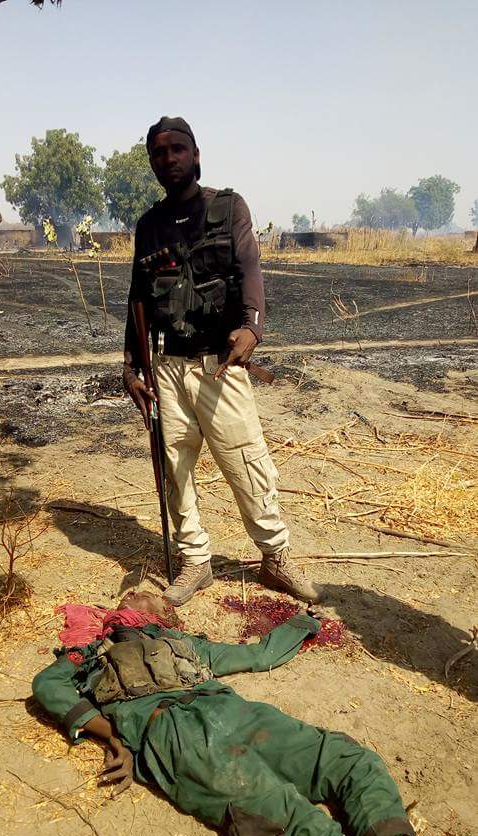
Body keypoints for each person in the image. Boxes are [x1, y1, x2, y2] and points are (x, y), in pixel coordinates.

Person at [33, 591, 478, 836]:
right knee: (287, 820)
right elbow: (47, 687)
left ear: (165, 614)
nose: (137, 594)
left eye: (149, 595)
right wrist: (114, 735)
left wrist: (303, 624)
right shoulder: (92, 656)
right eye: (132, 594)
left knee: (352, 762)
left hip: (240, 715)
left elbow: (258, 655)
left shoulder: (186, 645)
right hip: (175, 733)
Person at [122, 115, 322, 607]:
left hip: (220, 366)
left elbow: (249, 268)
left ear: (195, 155)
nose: (168, 159)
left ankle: (274, 557)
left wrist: (252, 327)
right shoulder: (149, 226)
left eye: (177, 149)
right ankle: (196, 561)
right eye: (158, 153)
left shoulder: (229, 208)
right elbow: (137, 301)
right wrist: (130, 368)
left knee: (248, 464)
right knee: (175, 469)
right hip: (166, 369)